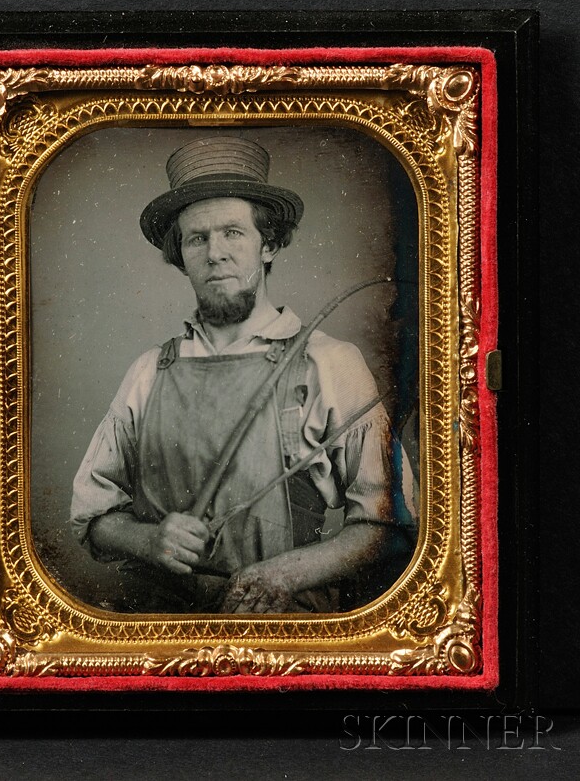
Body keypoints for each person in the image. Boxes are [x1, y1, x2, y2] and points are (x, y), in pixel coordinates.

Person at [70, 136, 418, 614]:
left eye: (233, 232)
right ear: (181, 256)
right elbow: (94, 516)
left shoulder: (330, 363)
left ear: (268, 244)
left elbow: (390, 526)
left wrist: (283, 574)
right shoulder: (149, 371)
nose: (215, 253)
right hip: (159, 638)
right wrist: (149, 540)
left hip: (282, 637)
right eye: (197, 238)